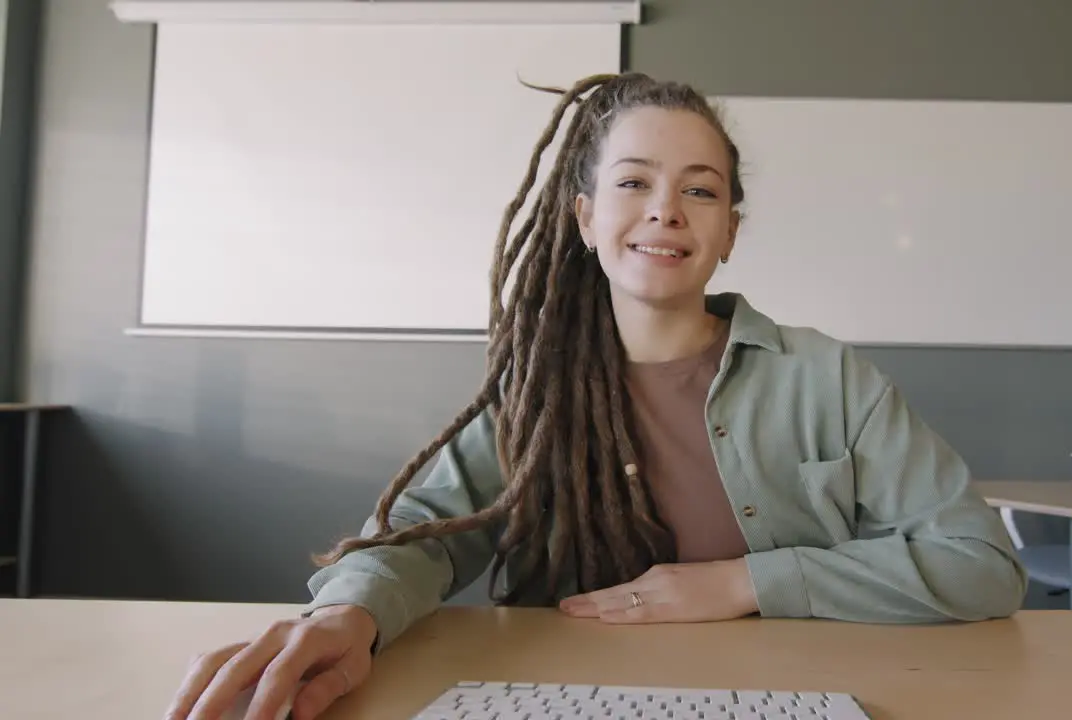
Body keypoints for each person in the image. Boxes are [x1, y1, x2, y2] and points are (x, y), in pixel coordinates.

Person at [166, 72, 1027, 720]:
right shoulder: (534, 392)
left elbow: (980, 564)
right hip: (565, 696)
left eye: (700, 189)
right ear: (583, 219)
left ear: (731, 229)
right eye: (633, 183)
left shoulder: (830, 378)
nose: (667, 212)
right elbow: (424, 538)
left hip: (790, 695)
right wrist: (352, 612)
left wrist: (745, 581)